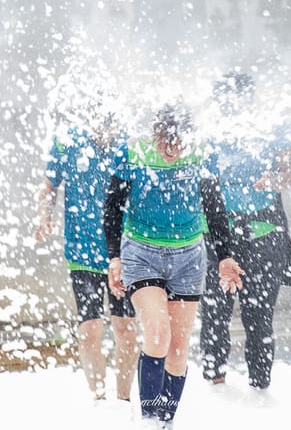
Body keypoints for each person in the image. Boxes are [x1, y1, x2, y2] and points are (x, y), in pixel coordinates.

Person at [103, 103, 244, 427]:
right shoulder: (133, 153)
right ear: (155, 134)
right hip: (141, 252)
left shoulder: (200, 154)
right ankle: (150, 419)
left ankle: (165, 421)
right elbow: (111, 208)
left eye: (179, 142)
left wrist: (224, 256)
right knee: (157, 335)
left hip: (188, 257)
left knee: (179, 350)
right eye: (166, 142)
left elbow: (214, 206)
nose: (172, 150)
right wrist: (114, 258)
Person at [199, 71, 291, 390]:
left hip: (262, 232)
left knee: (258, 316)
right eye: (226, 101)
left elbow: (290, 173)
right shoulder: (206, 134)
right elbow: (199, 183)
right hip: (219, 235)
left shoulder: (272, 127)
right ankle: (216, 381)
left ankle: (260, 388)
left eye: (238, 99)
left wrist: (270, 180)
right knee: (215, 312)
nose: (232, 107)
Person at [35, 106, 139, 402]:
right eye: (100, 129)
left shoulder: (129, 148)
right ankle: (98, 398)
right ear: (90, 121)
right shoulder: (68, 143)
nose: (105, 136)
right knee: (90, 328)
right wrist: (45, 216)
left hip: (122, 252)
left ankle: (123, 399)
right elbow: (50, 185)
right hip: (81, 250)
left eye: (111, 129)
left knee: (126, 328)